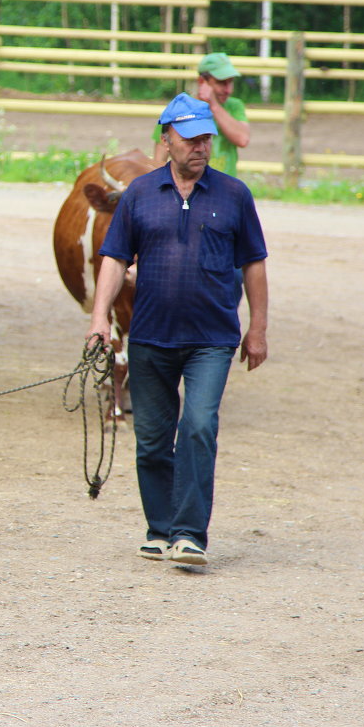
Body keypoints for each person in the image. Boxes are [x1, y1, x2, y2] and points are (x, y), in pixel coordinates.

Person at [88, 92, 269, 567]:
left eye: (206, 138)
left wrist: (258, 329)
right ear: (166, 139)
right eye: (190, 138)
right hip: (150, 336)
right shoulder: (140, 196)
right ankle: (159, 529)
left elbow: (254, 264)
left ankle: (190, 535)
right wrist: (99, 319)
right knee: (151, 438)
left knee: (198, 426)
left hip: (212, 339)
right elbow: (114, 258)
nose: (200, 147)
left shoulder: (234, 196)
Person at [153, 52, 250, 176]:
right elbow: (159, 160)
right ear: (202, 81)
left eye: (230, 82)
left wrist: (213, 105)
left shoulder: (235, 106)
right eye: (221, 83)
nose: (228, 90)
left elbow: (242, 139)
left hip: (224, 188)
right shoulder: (177, 111)